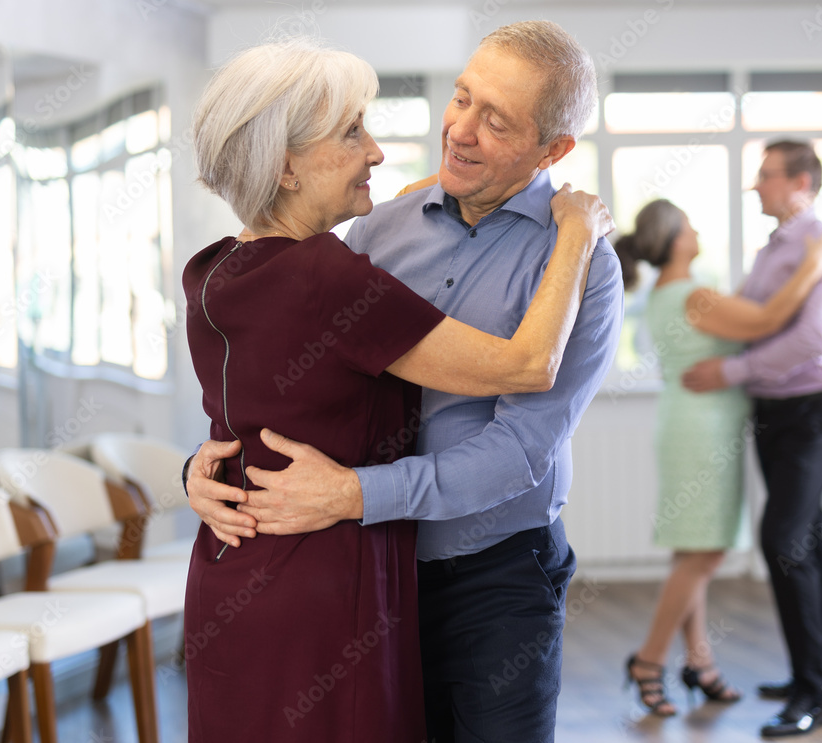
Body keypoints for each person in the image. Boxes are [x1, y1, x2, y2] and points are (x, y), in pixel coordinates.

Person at [186, 21, 624, 743]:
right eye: (462, 98)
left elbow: (522, 449)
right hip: (369, 575)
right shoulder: (371, 234)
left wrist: (357, 493)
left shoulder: (583, 268)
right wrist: (204, 467)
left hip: (493, 580)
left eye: (497, 120)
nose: (462, 130)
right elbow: (284, 386)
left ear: (554, 151)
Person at [612, 199, 822, 716]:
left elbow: (740, 314)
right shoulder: (694, 295)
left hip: (691, 425)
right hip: (703, 433)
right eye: (691, 224)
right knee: (704, 555)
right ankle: (648, 662)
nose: (697, 230)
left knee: (692, 550)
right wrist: (814, 263)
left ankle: (700, 662)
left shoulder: (676, 292)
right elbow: (766, 318)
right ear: (676, 239)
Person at [683, 140, 822, 738]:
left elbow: (812, 340)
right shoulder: (774, 252)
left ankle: (815, 695)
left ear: (800, 180)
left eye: (766, 175)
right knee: (806, 534)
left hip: (817, 410)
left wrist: (726, 372)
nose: (755, 186)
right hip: (775, 411)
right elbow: (752, 322)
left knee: (782, 539)